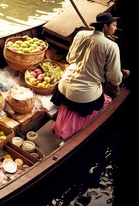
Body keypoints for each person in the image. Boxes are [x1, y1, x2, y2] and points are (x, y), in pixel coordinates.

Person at [50, 12, 130, 140]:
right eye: (114, 26)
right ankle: (70, 135)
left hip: (64, 84)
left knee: (74, 96)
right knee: (100, 101)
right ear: (105, 27)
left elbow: (70, 58)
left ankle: (62, 128)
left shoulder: (81, 34)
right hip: (83, 93)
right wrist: (119, 82)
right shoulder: (112, 46)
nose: (115, 28)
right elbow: (114, 76)